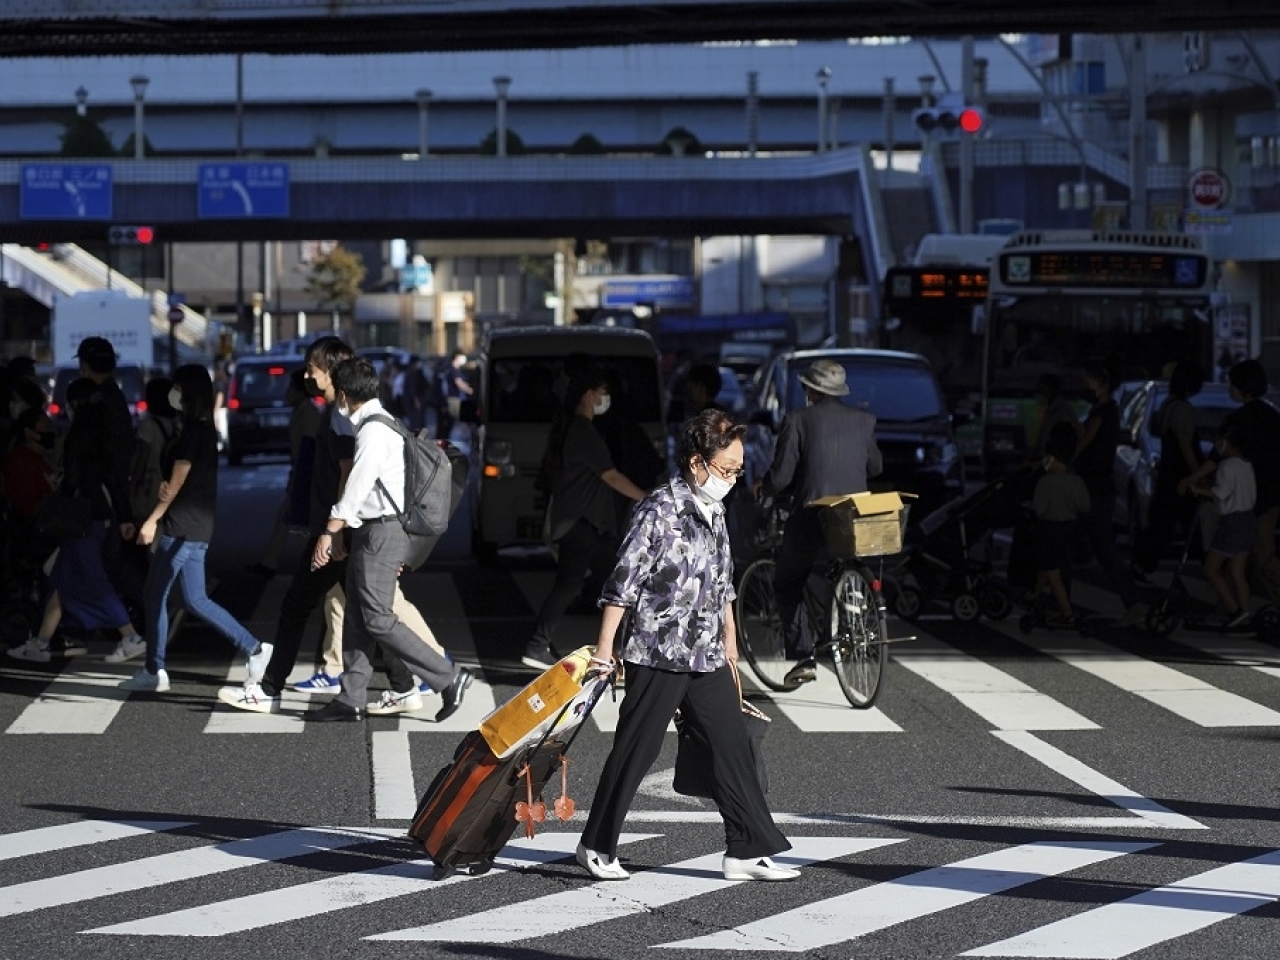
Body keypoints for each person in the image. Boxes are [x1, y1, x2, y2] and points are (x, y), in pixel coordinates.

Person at [577, 408, 799, 883]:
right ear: (698, 463)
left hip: (705, 654)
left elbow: (724, 583)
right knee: (637, 748)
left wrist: (731, 644)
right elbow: (622, 584)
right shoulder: (658, 509)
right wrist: (603, 650)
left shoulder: (714, 510)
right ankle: (596, 844)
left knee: (732, 743)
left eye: (739, 471)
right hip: (657, 651)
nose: (733, 480)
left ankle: (746, 848)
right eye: (727, 470)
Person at [219, 338, 450, 714]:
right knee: (366, 615)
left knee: (306, 606)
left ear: (333, 374)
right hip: (348, 528)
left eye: (313, 367)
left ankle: (271, 688)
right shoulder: (342, 414)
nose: (307, 374)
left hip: (344, 529)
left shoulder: (346, 418)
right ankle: (400, 686)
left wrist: (334, 530)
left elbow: (350, 476)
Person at [304, 357, 472, 722]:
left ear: (345, 395)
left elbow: (358, 485)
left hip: (382, 531)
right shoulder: (385, 423)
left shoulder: (373, 432)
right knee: (359, 617)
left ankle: (449, 677)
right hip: (373, 529)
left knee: (378, 618)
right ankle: (351, 697)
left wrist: (330, 531)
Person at [121, 365, 270, 693]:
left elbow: (176, 483)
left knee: (154, 594)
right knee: (195, 599)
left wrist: (151, 519)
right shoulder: (199, 429)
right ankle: (255, 649)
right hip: (196, 526)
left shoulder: (192, 433)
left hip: (180, 527)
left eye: (176, 387)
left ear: (187, 392)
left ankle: (154, 669)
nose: (172, 393)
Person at [759, 358, 881, 688]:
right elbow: (875, 467)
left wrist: (764, 488)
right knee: (845, 561)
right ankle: (852, 606)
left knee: (787, 581)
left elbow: (782, 476)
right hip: (854, 513)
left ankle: (803, 656)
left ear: (810, 389)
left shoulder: (798, 420)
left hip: (814, 512)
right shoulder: (864, 420)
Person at [7, 378, 144, 664]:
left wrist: (59, 501)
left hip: (81, 520)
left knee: (94, 581)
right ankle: (41, 642)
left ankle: (130, 636)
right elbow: (114, 481)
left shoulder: (78, 436)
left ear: (75, 405)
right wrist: (124, 516)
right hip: (96, 518)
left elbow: (73, 481)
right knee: (60, 580)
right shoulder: (103, 435)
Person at [522, 366, 648, 670]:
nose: (606, 398)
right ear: (589, 395)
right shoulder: (582, 431)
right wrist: (647, 498)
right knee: (609, 584)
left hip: (584, 523)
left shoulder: (577, 429)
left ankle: (543, 645)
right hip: (582, 523)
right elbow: (611, 477)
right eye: (603, 392)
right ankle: (541, 646)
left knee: (603, 583)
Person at [1070, 365, 1144, 625]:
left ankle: (1134, 601)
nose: (1085, 388)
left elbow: (1083, 444)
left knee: (1101, 547)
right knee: (1093, 546)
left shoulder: (1103, 412)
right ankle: (1061, 603)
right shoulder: (1102, 411)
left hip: (1094, 487)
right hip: (1095, 485)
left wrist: (1064, 458)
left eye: (1088, 383)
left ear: (1101, 386)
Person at [1133, 359, 1205, 581]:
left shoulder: (1168, 405)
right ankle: (1210, 568)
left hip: (1169, 473)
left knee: (1163, 523)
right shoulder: (1183, 409)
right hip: (1181, 475)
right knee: (1190, 523)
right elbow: (1186, 444)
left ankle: (1142, 565)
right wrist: (1198, 473)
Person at [251, 368, 322, 575]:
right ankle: (272, 562)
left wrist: (299, 475)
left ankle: (280, 562)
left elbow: (307, 447)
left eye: (291, 387)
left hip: (306, 473)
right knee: (290, 518)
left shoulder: (307, 412)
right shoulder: (303, 411)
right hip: (302, 471)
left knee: (294, 518)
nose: (288, 392)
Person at [1190, 421, 1256, 630]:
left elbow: (1220, 493)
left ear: (1227, 442)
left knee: (1211, 569)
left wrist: (1198, 490)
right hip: (1248, 520)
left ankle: (1232, 610)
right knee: (1238, 573)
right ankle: (1245, 616)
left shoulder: (1227, 466)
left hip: (1231, 522)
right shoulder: (1247, 465)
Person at [1032, 425, 1091, 627]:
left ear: (1053, 459)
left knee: (1051, 571)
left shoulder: (1045, 483)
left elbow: (1039, 509)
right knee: (1055, 567)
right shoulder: (1076, 482)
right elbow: (1085, 505)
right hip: (1070, 529)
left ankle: (1067, 612)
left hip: (1049, 530)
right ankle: (1036, 597)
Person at [130, 376, 180, 528]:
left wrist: (132, 487)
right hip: (170, 490)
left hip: (151, 489)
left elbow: (141, 460)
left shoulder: (148, 427)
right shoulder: (176, 425)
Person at [1029, 373, 1077, 461]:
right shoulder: (1051, 410)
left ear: (1050, 390)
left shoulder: (1063, 411)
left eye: (1042, 389)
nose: (1039, 393)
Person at [434, 350, 472, 441]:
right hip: (453, 400)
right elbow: (460, 384)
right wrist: (471, 391)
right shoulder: (453, 370)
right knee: (470, 418)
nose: (464, 359)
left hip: (452, 400)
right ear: (457, 357)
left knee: (447, 426)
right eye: (462, 356)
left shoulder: (452, 369)